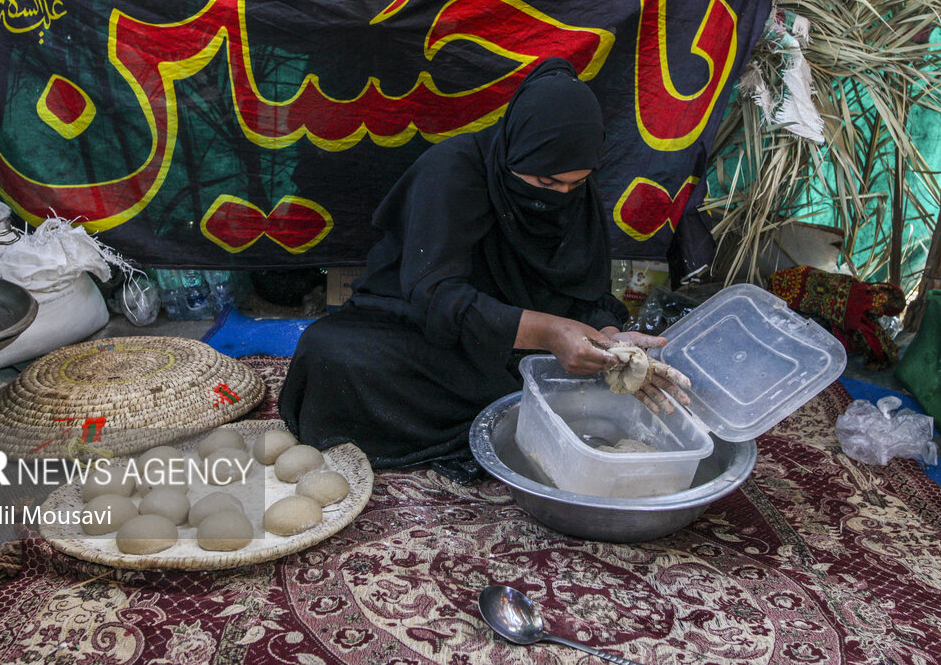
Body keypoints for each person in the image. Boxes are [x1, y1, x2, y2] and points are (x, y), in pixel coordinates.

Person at [278, 57, 687, 468]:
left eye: (574, 183)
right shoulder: (452, 172)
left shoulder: (579, 195)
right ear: (515, 149)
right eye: (547, 182)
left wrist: (609, 344)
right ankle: (516, 415)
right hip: (435, 336)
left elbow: (587, 292)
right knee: (328, 353)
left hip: (517, 354)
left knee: (570, 385)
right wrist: (547, 333)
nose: (560, 193)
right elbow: (435, 296)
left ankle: (521, 410)